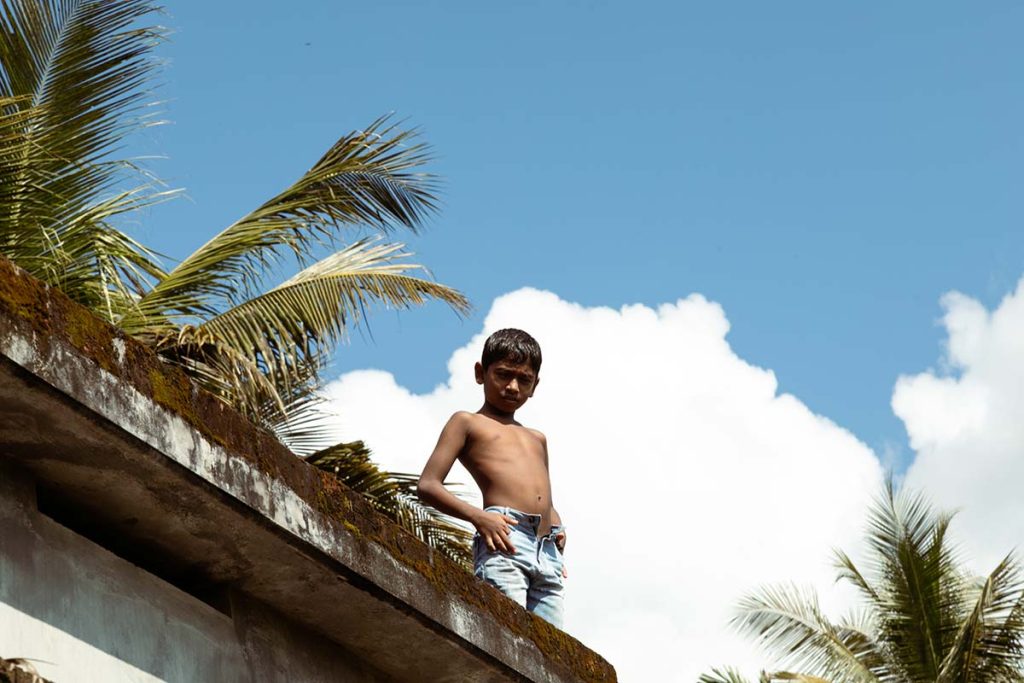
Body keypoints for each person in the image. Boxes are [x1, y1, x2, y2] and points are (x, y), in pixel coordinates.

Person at [417, 328, 567, 628]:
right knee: (508, 637)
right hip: (505, 537)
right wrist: (479, 517)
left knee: (551, 655)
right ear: (480, 373)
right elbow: (428, 485)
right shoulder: (467, 422)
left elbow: (543, 497)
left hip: (547, 551)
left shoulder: (537, 438)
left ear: (534, 385)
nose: (513, 387)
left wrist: (557, 526)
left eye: (523, 379)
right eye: (503, 375)